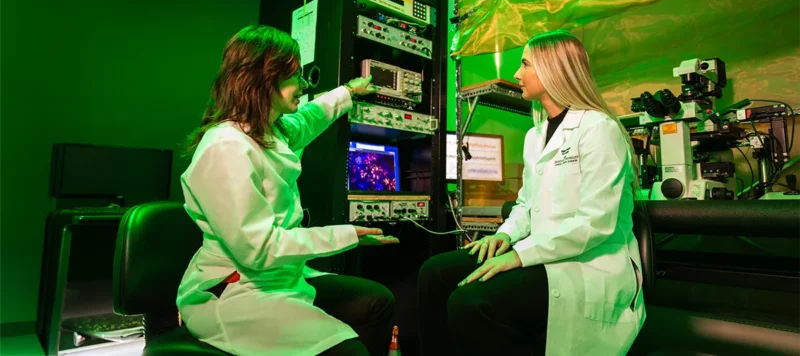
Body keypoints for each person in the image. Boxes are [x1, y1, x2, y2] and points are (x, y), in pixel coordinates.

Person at [418, 30, 645, 355]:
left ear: (554, 69)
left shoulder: (598, 129)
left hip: (587, 263)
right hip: (543, 250)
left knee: (470, 303)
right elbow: (526, 204)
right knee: (434, 273)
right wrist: (505, 235)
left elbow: (595, 223)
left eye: (525, 64)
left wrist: (520, 255)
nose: (516, 74)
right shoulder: (534, 136)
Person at [177, 24, 400, 356]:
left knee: (377, 301)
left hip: (278, 276)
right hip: (237, 289)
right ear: (264, 80)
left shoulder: (268, 129)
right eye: (295, 76)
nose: (304, 85)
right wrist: (347, 235)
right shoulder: (226, 147)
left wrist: (348, 92)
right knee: (348, 353)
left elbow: (310, 118)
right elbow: (259, 249)